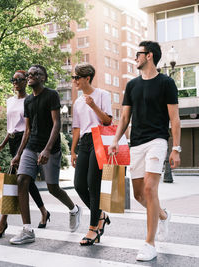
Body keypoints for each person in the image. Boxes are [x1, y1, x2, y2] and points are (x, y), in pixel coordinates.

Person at [108, 41, 181, 261]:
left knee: (150, 189)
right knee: (139, 194)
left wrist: (175, 148)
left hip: (157, 141)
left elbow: (174, 119)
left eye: (137, 54)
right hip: (136, 143)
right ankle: (163, 215)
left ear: (149, 56)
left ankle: (149, 243)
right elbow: (124, 117)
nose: (134, 58)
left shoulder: (166, 83)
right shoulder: (132, 86)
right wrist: (115, 140)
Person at [10, 64, 82, 245]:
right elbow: (27, 130)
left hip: (51, 148)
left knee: (53, 188)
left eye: (36, 73)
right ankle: (27, 230)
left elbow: (56, 124)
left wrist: (47, 150)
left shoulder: (51, 95)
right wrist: (18, 154)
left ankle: (74, 209)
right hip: (31, 146)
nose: (31, 75)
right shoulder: (27, 101)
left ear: (43, 78)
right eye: (30, 73)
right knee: (22, 180)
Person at [0, 70, 50, 239]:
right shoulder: (10, 101)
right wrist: (2, 145)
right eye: (13, 80)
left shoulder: (30, 100)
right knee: (26, 181)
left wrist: (20, 151)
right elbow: (11, 127)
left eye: (19, 79)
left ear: (26, 81)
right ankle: (44, 211)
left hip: (26, 141)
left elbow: (28, 128)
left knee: (16, 179)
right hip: (12, 141)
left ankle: (3, 221)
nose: (15, 82)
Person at [71, 63, 112, 246]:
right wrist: (73, 150)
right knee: (79, 184)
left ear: (87, 77)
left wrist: (94, 105)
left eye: (77, 77)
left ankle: (93, 228)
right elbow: (77, 128)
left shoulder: (102, 95)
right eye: (74, 77)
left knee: (93, 184)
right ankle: (100, 214)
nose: (74, 81)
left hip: (100, 140)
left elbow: (107, 121)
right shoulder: (77, 102)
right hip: (85, 143)